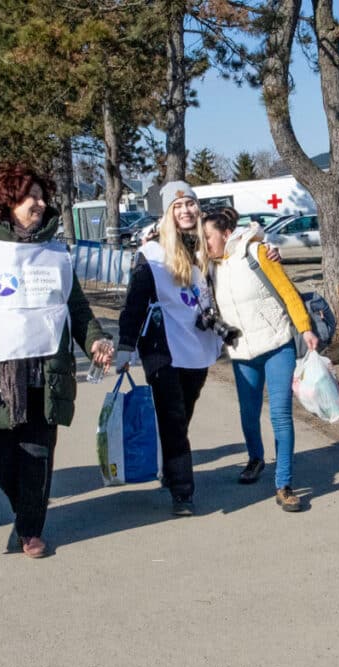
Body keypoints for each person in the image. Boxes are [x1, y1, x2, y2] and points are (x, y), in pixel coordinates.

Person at [0, 162, 114, 559]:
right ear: (8, 202)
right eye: (31, 196)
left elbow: (76, 308)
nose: (40, 204)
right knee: (2, 454)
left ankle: (31, 529)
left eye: (43, 197)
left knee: (38, 453)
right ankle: (22, 509)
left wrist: (95, 340)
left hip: (45, 373)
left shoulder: (55, 254)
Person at [114, 181, 224, 516]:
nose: (186, 211)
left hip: (198, 345)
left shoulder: (208, 248)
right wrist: (125, 346)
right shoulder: (151, 253)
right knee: (173, 417)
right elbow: (135, 303)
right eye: (178, 206)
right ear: (167, 213)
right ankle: (182, 492)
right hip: (162, 347)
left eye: (190, 204)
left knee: (182, 414)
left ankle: (171, 466)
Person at [202, 210, 318, 512]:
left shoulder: (257, 252)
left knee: (280, 414)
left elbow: (288, 291)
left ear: (226, 234)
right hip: (242, 352)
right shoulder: (210, 267)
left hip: (277, 344)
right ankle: (255, 459)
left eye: (208, 237)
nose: (205, 243)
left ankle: (284, 484)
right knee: (248, 413)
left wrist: (304, 329)